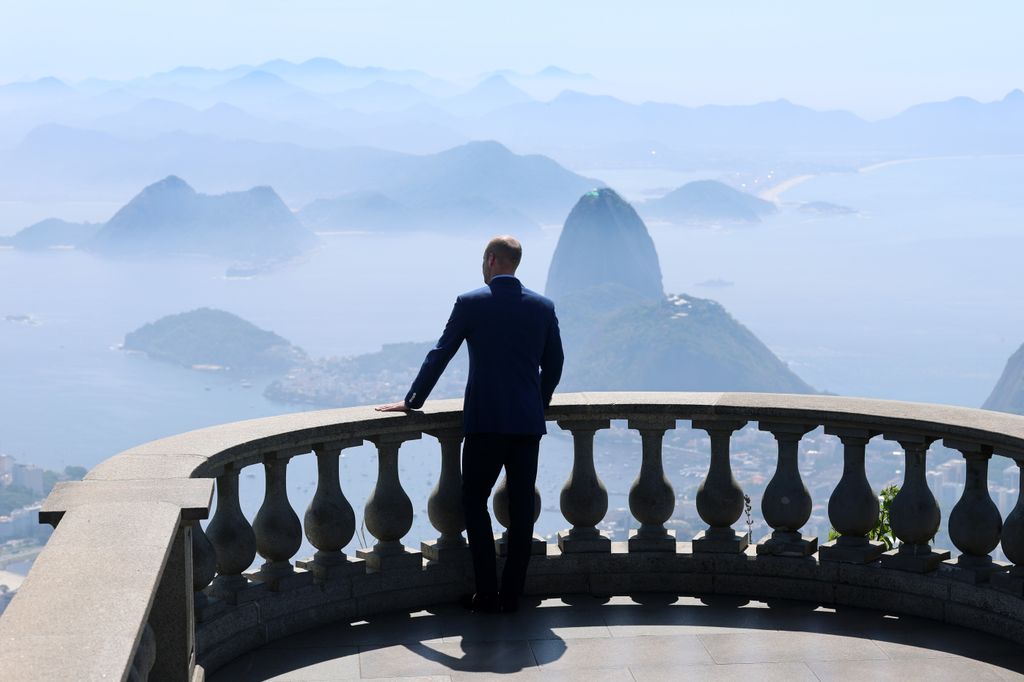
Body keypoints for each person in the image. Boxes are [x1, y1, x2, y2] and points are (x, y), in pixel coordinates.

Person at [376, 235, 564, 613]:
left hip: (485, 424)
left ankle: (486, 592)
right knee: (523, 509)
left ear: (491, 260)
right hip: (527, 426)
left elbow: (440, 354)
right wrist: (536, 404)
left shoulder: (471, 303)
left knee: (474, 503)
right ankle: (512, 594)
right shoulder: (543, 307)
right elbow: (555, 365)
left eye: (483, 259)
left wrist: (412, 401)